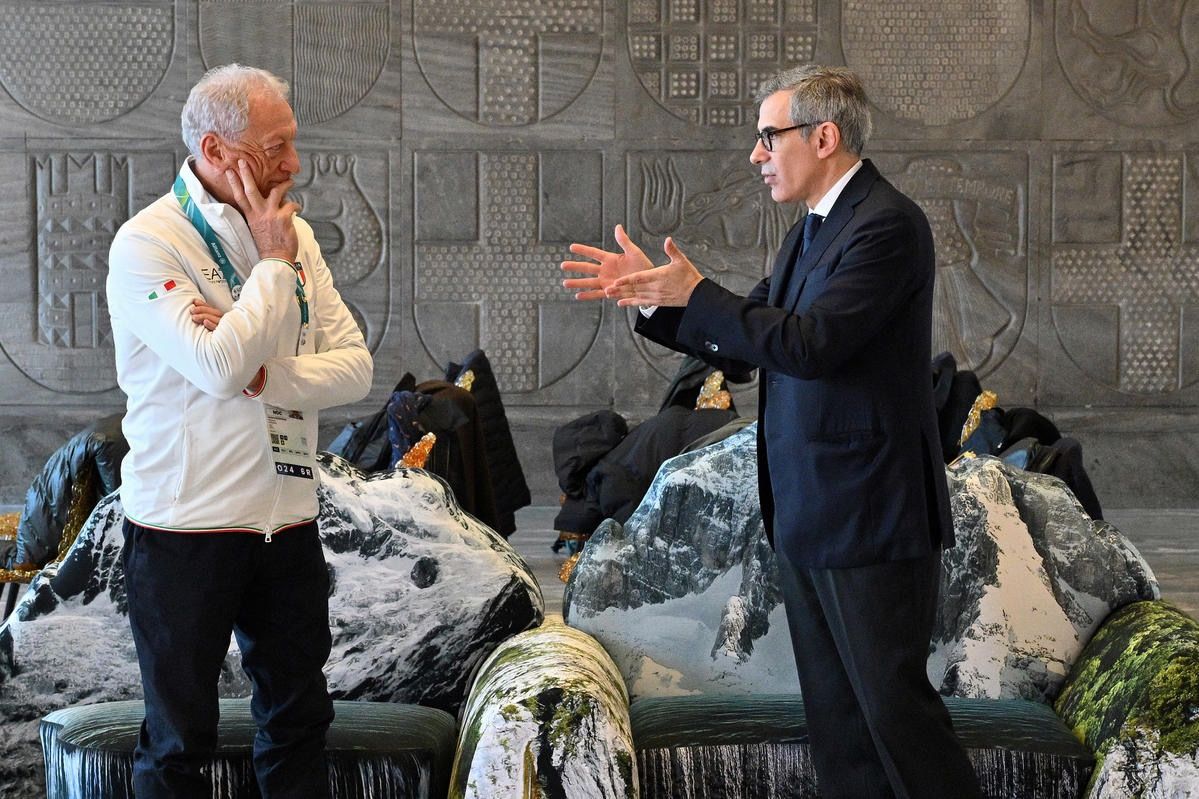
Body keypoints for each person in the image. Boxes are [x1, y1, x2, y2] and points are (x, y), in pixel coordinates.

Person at [561, 65, 982, 799]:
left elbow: (810, 345)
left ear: (823, 137)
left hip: (870, 513)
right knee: (840, 727)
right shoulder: (810, 231)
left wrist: (697, 292)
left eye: (767, 136)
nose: (756, 155)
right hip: (811, 510)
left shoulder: (886, 224)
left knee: (894, 717)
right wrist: (658, 300)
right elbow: (747, 346)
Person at [106, 64, 373, 797]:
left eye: (292, 142)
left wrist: (266, 373)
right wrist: (273, 270)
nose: (294, 163)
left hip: (287, 519)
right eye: (275, 146)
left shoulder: (295, 234)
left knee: (298, 723)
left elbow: (355, 369)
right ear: (217, 150)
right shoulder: (148, 243)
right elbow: (218, 366)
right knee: (177, 742)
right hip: (184, 528)